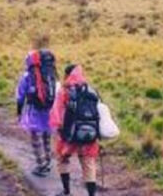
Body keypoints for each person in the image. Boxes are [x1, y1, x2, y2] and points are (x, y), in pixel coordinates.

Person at [50, 64, 100, 196]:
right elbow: (98, 113)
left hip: (68, 135)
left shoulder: (64, 91)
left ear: (67, 75)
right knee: (88, 163)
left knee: (63, 158)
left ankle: (66, 191)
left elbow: (56, 113)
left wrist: (58, 130)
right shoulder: (91, 91)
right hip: (89, 133)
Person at [16, 35, 58, 177]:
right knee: (47, 137)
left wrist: (19, 111)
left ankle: (41, 165)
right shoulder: (51, 74)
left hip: (35, 110)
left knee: (35, 138)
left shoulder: (28, 76)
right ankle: (48, 161)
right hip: (49, 110)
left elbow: (20, 96)